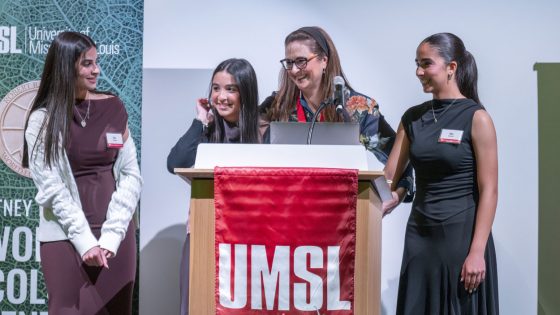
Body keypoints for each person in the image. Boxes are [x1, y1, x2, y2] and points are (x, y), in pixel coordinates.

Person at [22, 31, 142, 314]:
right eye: (87, 63)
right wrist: (85, 242)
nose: (96, 70)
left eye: (96, 62)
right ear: (67, 67)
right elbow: (52, 188)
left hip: (116, 237)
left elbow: (131, 175)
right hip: (65, 238)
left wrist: (112, 236)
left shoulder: (113, 107)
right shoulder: (42, 120)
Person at [384, 33, 499, 314]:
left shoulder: (477, 118)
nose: (419, 71)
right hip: (420, 237)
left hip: (462, 239)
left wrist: (477, 252)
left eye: (427, 63)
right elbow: (388, 177)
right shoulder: (412, 118)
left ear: (452, 67)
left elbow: (490, 190)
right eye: (417, 64)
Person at [260, 26, 414, 207]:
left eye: (301, 61)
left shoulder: (358, 109)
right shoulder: (277, 106)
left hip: (342, 213)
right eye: (289, 62)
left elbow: (400, 160)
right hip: (287, 210)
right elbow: (248, 143)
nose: (294, 70)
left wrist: (394, 196)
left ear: (324, 60)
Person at [166, 58, 263, 315]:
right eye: (216, 88)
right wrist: (201, 120)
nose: (221, 96)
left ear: (246, 92)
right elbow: (175, 163)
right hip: (203, 235)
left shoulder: (266, 135)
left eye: (231, 89)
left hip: (251, 242)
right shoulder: (205, 133)